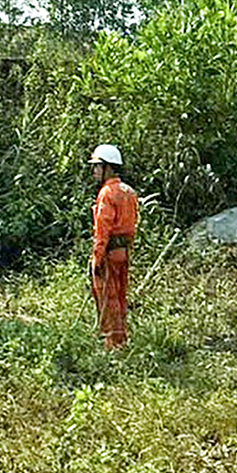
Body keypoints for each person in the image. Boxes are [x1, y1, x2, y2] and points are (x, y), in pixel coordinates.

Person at [89, 143, 138, 350]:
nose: (94, 171)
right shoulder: (129, 191)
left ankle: (113, 343)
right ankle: (122, 339)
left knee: (108, 298)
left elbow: (103, 229)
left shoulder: (107, 193)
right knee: (120, 295)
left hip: (109, 254)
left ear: (108, 167)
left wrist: (96, 259)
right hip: (124, 252)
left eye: (97, 167)